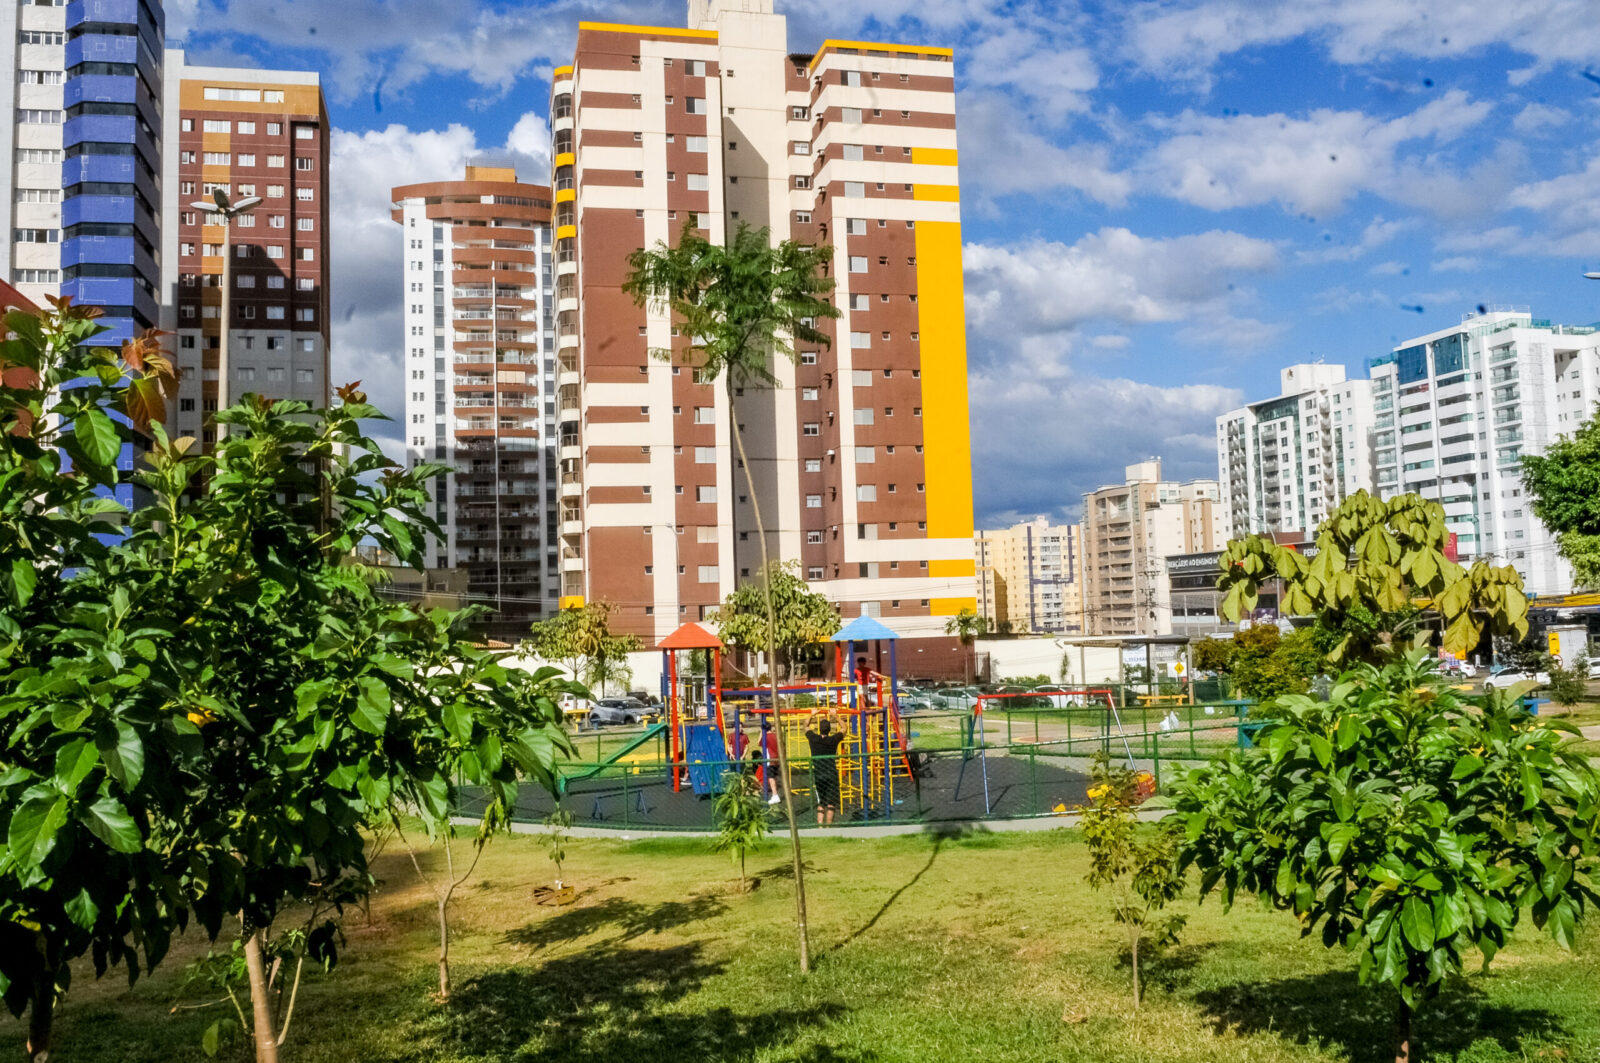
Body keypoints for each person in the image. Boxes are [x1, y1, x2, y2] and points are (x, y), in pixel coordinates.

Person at [805, 710, 846, 825]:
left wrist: (812, 714)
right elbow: (845, 728)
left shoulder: (813, 739)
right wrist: (835, 716)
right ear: (829, 730)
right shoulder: (833, 740)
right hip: (831, 773)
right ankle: (828, 827)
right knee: (831, 803)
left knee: (821, 802)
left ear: (819, 729)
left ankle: (820, 827)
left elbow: (805, 725)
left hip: (819, 773)